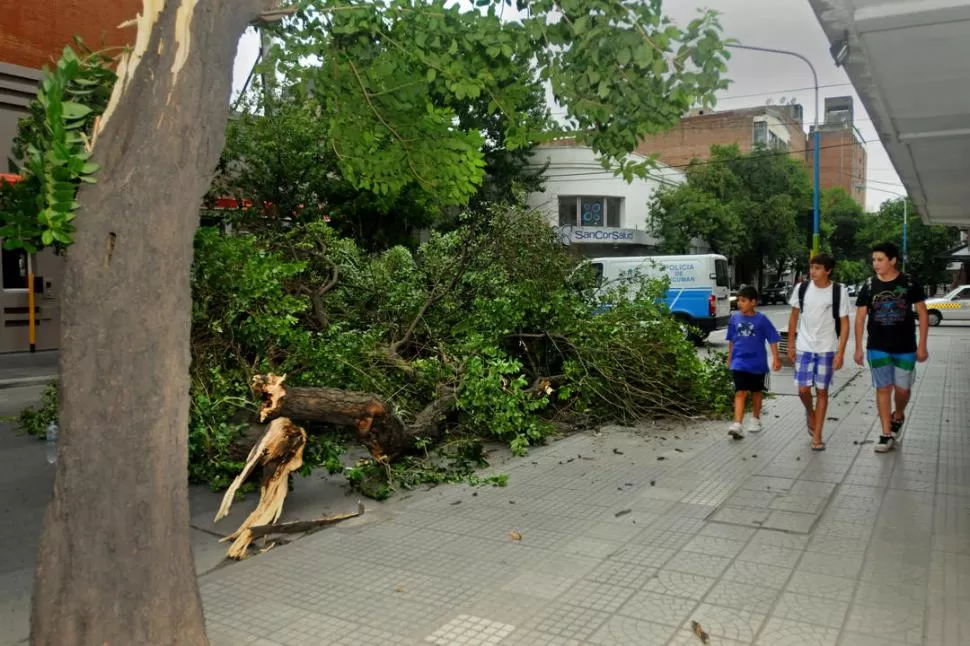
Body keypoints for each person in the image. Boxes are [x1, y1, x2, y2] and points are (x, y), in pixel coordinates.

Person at [854, 242, 929, 453]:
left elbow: (923, 313)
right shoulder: (869, 286)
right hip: (877, 346)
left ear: (893, 260)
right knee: (883, 388)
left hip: (906, 346)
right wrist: (858, 348)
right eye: (873, 260)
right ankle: (886, 433)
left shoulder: (910, 283)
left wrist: (922, 345)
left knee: (903, 389)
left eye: (880, 260)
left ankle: (899, 414)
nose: (876, 264)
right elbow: (860, 318)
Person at [787, 253, 850, 451]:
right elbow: (794, 317)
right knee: (803, 390)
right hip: (805, 347)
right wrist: (790, 344)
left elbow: (844, 323)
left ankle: (818, 435)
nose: (812, 272)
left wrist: (840, 352)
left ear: (828, 270)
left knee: (822, 391)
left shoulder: (839, 291)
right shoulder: (802, 288)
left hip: (826, 348)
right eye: (811, 267)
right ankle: (810, 412)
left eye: (817, 268)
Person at [726, 286, 782, 439]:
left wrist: (776, 358)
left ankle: (756, 418)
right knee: (740, 391)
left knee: (756, 392)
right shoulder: (735, 319)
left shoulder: (762, 319)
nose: (739, 304)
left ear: (753, 302)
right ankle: (737, 424)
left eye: (743, 301)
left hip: (757, 363)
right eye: (739, 301)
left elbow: (772, 339)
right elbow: (731, 339)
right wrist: (730, 356)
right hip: (739, 361)